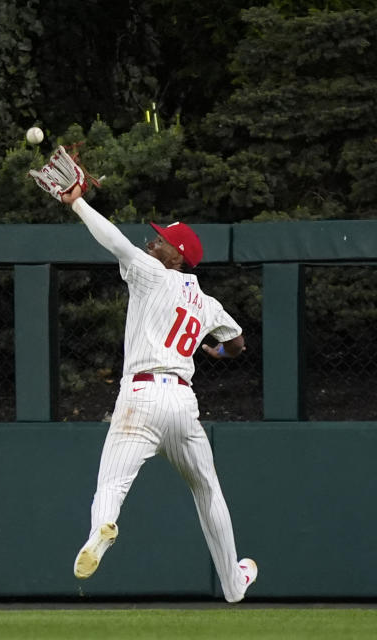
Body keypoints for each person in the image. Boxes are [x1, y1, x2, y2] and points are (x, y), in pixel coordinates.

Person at [60, 184, 257, 603]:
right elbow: (239, 343)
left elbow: (112, 238)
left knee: (111, 486)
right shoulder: (207, 304)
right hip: (183, 404)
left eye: (161, 240)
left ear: (177, 255)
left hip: (140, 398)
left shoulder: (153, 274)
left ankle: (101, 532)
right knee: (208, 491)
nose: (152, 242)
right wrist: (219, 350)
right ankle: (234, 585)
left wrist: (76, 202)